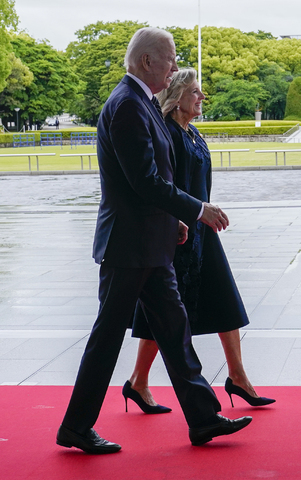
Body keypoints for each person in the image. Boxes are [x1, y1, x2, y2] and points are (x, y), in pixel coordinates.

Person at [56, 27, 252, 455]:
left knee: (176, 332)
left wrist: (172, 219)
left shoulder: (138, 103)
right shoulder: (127, 105)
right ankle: (75, 426)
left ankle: (203, 418)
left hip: (147, 243)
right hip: (129, 248)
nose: (176, 67)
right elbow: (144, 180)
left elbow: (151, 179)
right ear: (147, 62)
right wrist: (196, 210)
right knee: (107, 338)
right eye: (171, 59)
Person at [123, 68, 274, 414]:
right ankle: (138, 382)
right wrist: (182, 217)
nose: (202, 97)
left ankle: (237, 377)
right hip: (179, 234)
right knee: (161, 316)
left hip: (202, 232)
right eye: (195, 92)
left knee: (225, 302)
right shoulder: (170, 135)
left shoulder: (193, 134)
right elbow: (162, 185)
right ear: (177, 99)